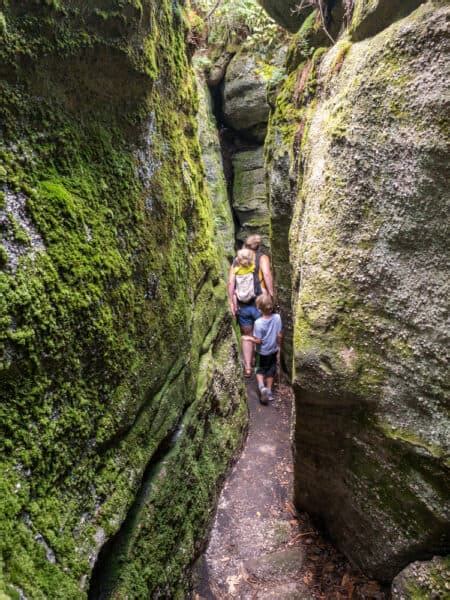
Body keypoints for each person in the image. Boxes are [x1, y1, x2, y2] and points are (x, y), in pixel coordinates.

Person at [227, 234, 274, 377]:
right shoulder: (261, 258)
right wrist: (271, 294)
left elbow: (231, 283)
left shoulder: (237, 260)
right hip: (260, 302)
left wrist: (231, 301)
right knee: (262, 334)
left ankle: (248, 367)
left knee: (247, 334)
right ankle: (262, 367)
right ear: (258, 246)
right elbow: (266, 274)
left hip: (243, 304)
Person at [243, 293, 283, 404]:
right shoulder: (277, 318)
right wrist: (279, 347)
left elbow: (258, 340)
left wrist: (248, 338)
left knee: (259, 369)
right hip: (273, 350)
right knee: (271, 370)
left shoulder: (258, 323)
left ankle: (262, 387)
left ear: (259, 309)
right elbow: (279, 335)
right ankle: (269, 391)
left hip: (261, 352)